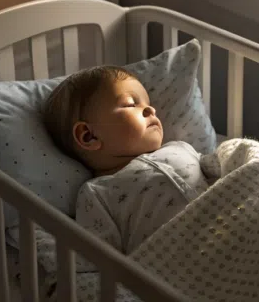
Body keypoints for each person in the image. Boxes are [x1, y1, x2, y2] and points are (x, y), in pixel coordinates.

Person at [43, 66, 209, 255]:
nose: (151, 109)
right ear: (89, 136)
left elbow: (222, 168)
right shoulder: (98, 193)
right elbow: (100, 258)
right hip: (182, 263)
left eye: (148, 103)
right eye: (131, 103)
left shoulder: (180, 148)